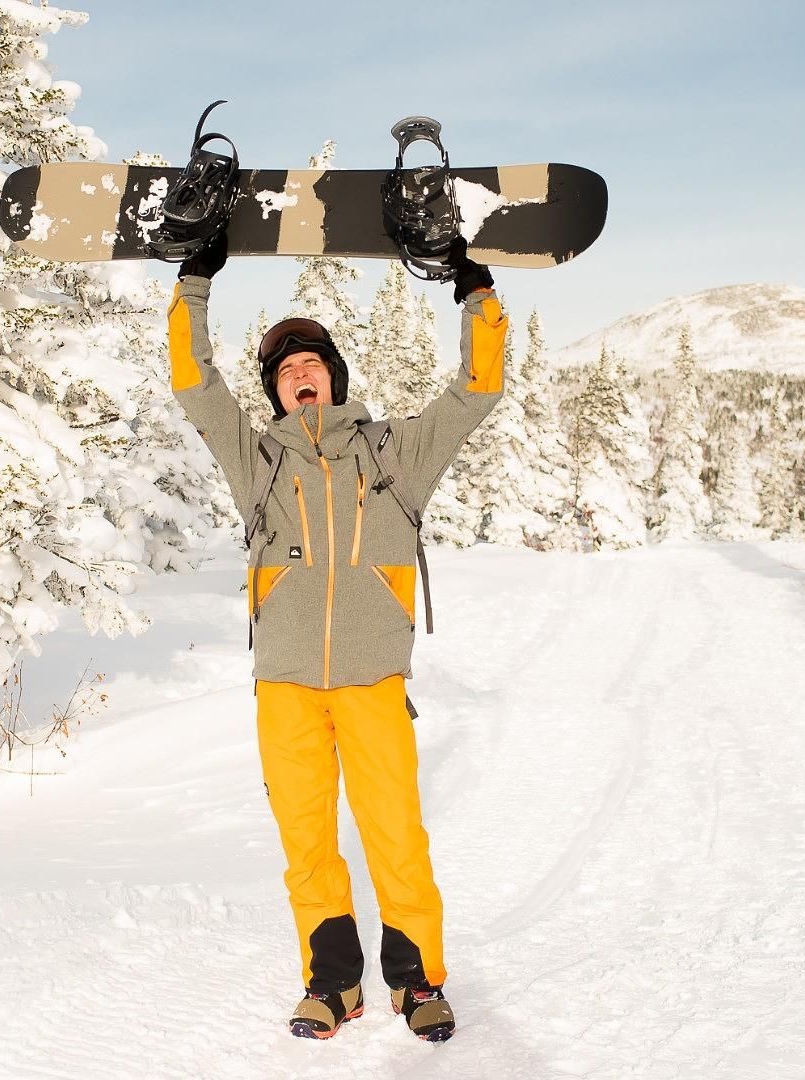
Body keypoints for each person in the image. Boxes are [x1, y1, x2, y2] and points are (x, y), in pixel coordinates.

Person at [166, 232, 507, 1042]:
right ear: (276, 395)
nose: (298, 374)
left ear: (334, 376)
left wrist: (472, 287)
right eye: (283, 371)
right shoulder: (256, 465)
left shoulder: (396, 455)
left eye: (309, 362)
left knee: (395, 835)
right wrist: (195, 279)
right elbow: (193, 384)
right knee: (306, 843)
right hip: (284, 684)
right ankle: (334, 986)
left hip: (371, 680)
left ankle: (417, 983)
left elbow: (476, 390)